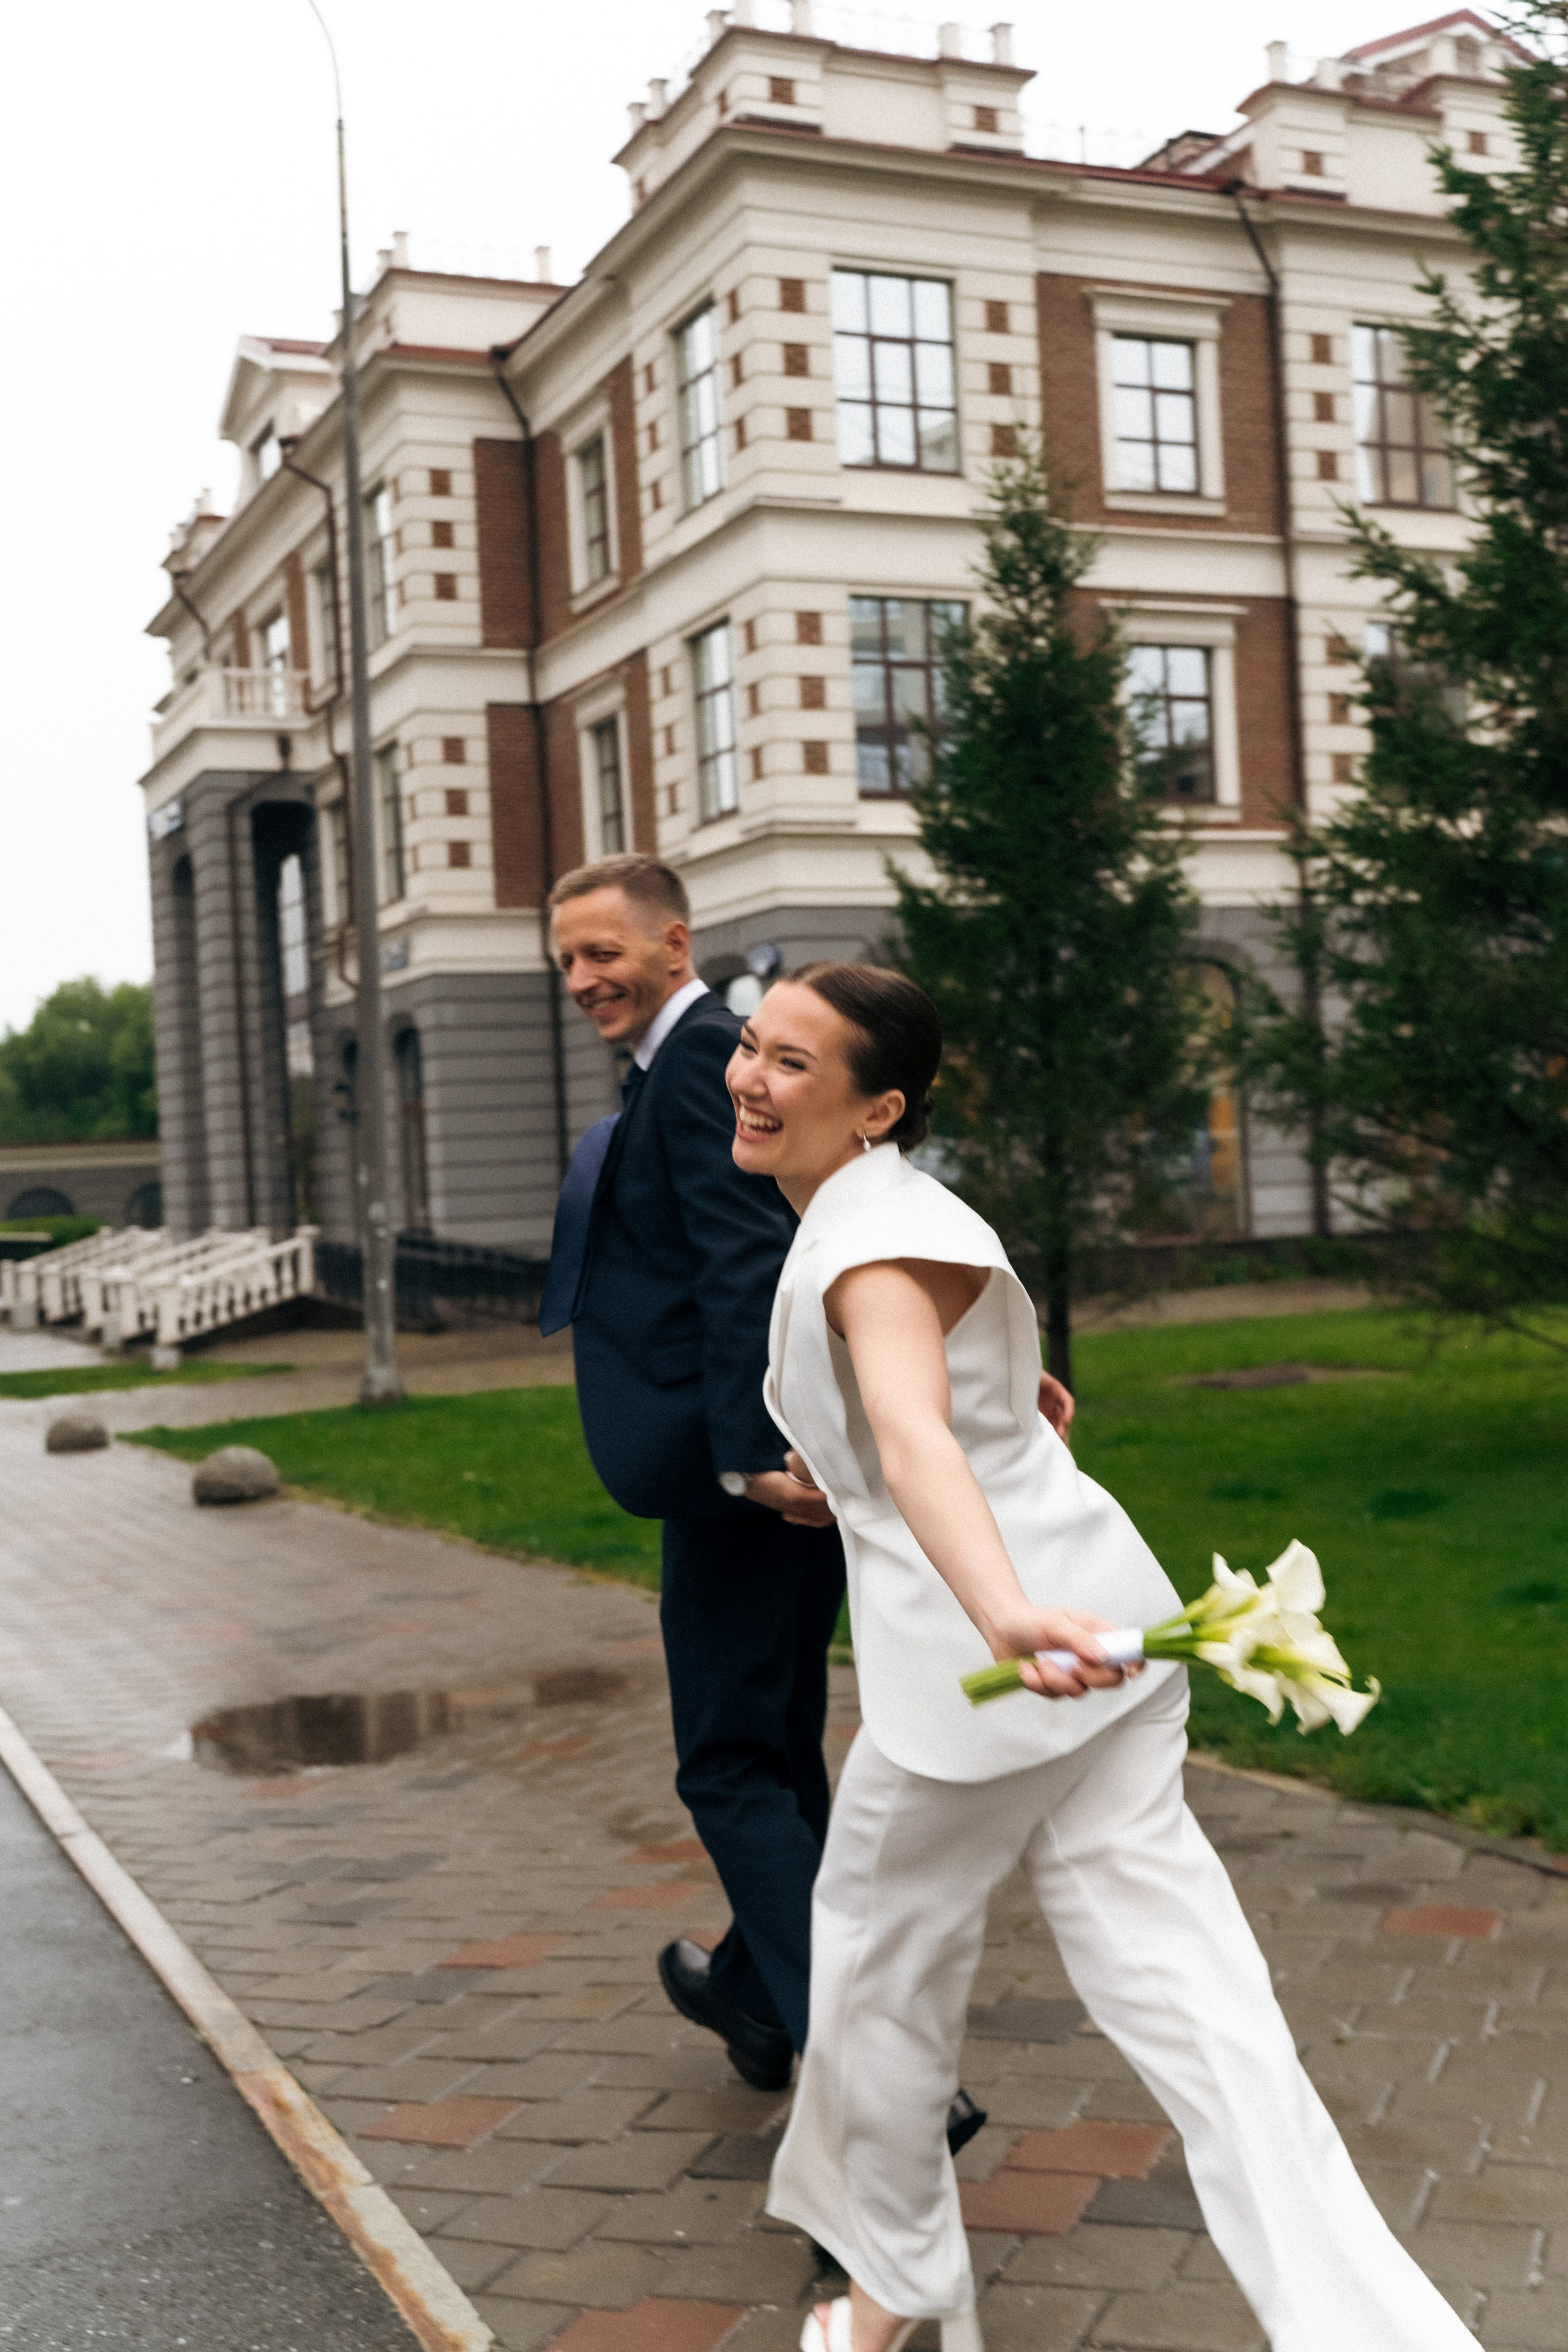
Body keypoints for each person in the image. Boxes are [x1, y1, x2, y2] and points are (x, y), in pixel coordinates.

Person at [725, 961, 1478, 2352]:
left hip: (995, 1681)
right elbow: (936, 1424)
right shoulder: (898, 1209)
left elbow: (914, 1438)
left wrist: (1002, 1613)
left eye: (790, 1064)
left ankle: (888, 2292)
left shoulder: (865, 1247)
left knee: (874, 1993)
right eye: (752, 1046)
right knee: (1203, 2015)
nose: (749, 1079)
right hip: (1111, 1648)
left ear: (875, 1107)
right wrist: (885, 1460)